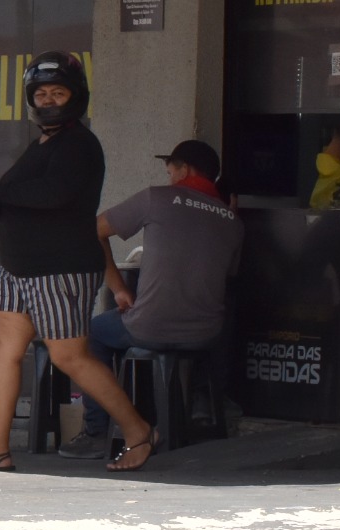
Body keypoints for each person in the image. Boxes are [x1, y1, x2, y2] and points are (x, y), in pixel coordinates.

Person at [0, 52, 157, 474]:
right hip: (18, 269)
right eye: (41, 94)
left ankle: (138, 432)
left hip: (59, 270)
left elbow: (54, 197)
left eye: (57, 92)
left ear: (75, 96)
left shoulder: (80, 144)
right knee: (4, 354)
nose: (48, 100)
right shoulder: (41, 143)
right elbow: (24, 202)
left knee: (70, 357)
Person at [62, 139, 244, 457]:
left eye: (171, 170)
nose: (170, 177)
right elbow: (226, 276)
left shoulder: (156, 198)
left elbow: (92, 232)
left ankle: (96, 432)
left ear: (184, 169)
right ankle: (201, 409)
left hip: (149, 327)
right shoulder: (233, 222)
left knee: (91, 336)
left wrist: (119, 289)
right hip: (206, 335)